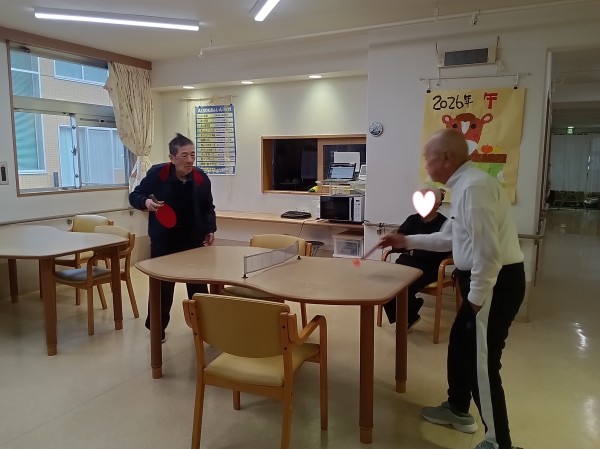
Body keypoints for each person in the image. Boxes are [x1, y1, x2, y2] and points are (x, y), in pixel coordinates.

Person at [378, 129, 525, 449]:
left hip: (495, 283)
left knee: (482, 362)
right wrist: (405, 240)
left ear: (446, 158)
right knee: (460, 347)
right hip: (485, 280)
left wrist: (476, 299)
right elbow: (451, 238)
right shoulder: (465, 186)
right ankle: (458, 408)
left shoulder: (474, 188)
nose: (426, 164)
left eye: (428, 158)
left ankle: (499, 442)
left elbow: (489, 254)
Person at [129, 133, 217, 342]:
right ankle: (157, 328)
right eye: (184, 155)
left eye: (193, 155)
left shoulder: (201, 177)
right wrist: (146, 202)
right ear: (172, 157)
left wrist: (210, 229)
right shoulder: (156, 174)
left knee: (197, 286)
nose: (190, 160)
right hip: (164, 239)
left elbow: (208, 207)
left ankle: (205, 329)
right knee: (162, 286)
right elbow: (135, 195)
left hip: (192, 239)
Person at [382, 188, 450, 330]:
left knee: (403, 285)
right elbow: (397, 245)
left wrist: (412, 250)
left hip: (429, 268)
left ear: (437, 204)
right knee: (385, 283)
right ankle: (411, 313)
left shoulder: (445, 224)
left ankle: (407, 316)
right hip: (405, 263)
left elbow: (440, 253)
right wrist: (409, 247)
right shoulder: (412, 219)